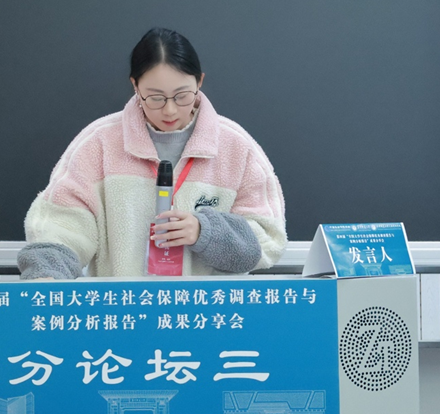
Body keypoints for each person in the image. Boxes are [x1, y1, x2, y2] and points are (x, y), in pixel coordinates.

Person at [17, 27, 287, 279]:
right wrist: (46, 276)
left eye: (182, 95)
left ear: (200, 82)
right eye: (155, 98)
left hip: (207, 311)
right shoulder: (99, 143)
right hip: (124, 310)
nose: (169, 110)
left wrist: (206, 232)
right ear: (135, 85)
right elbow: (60, 227)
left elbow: (268, 239)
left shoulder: (236, 146)